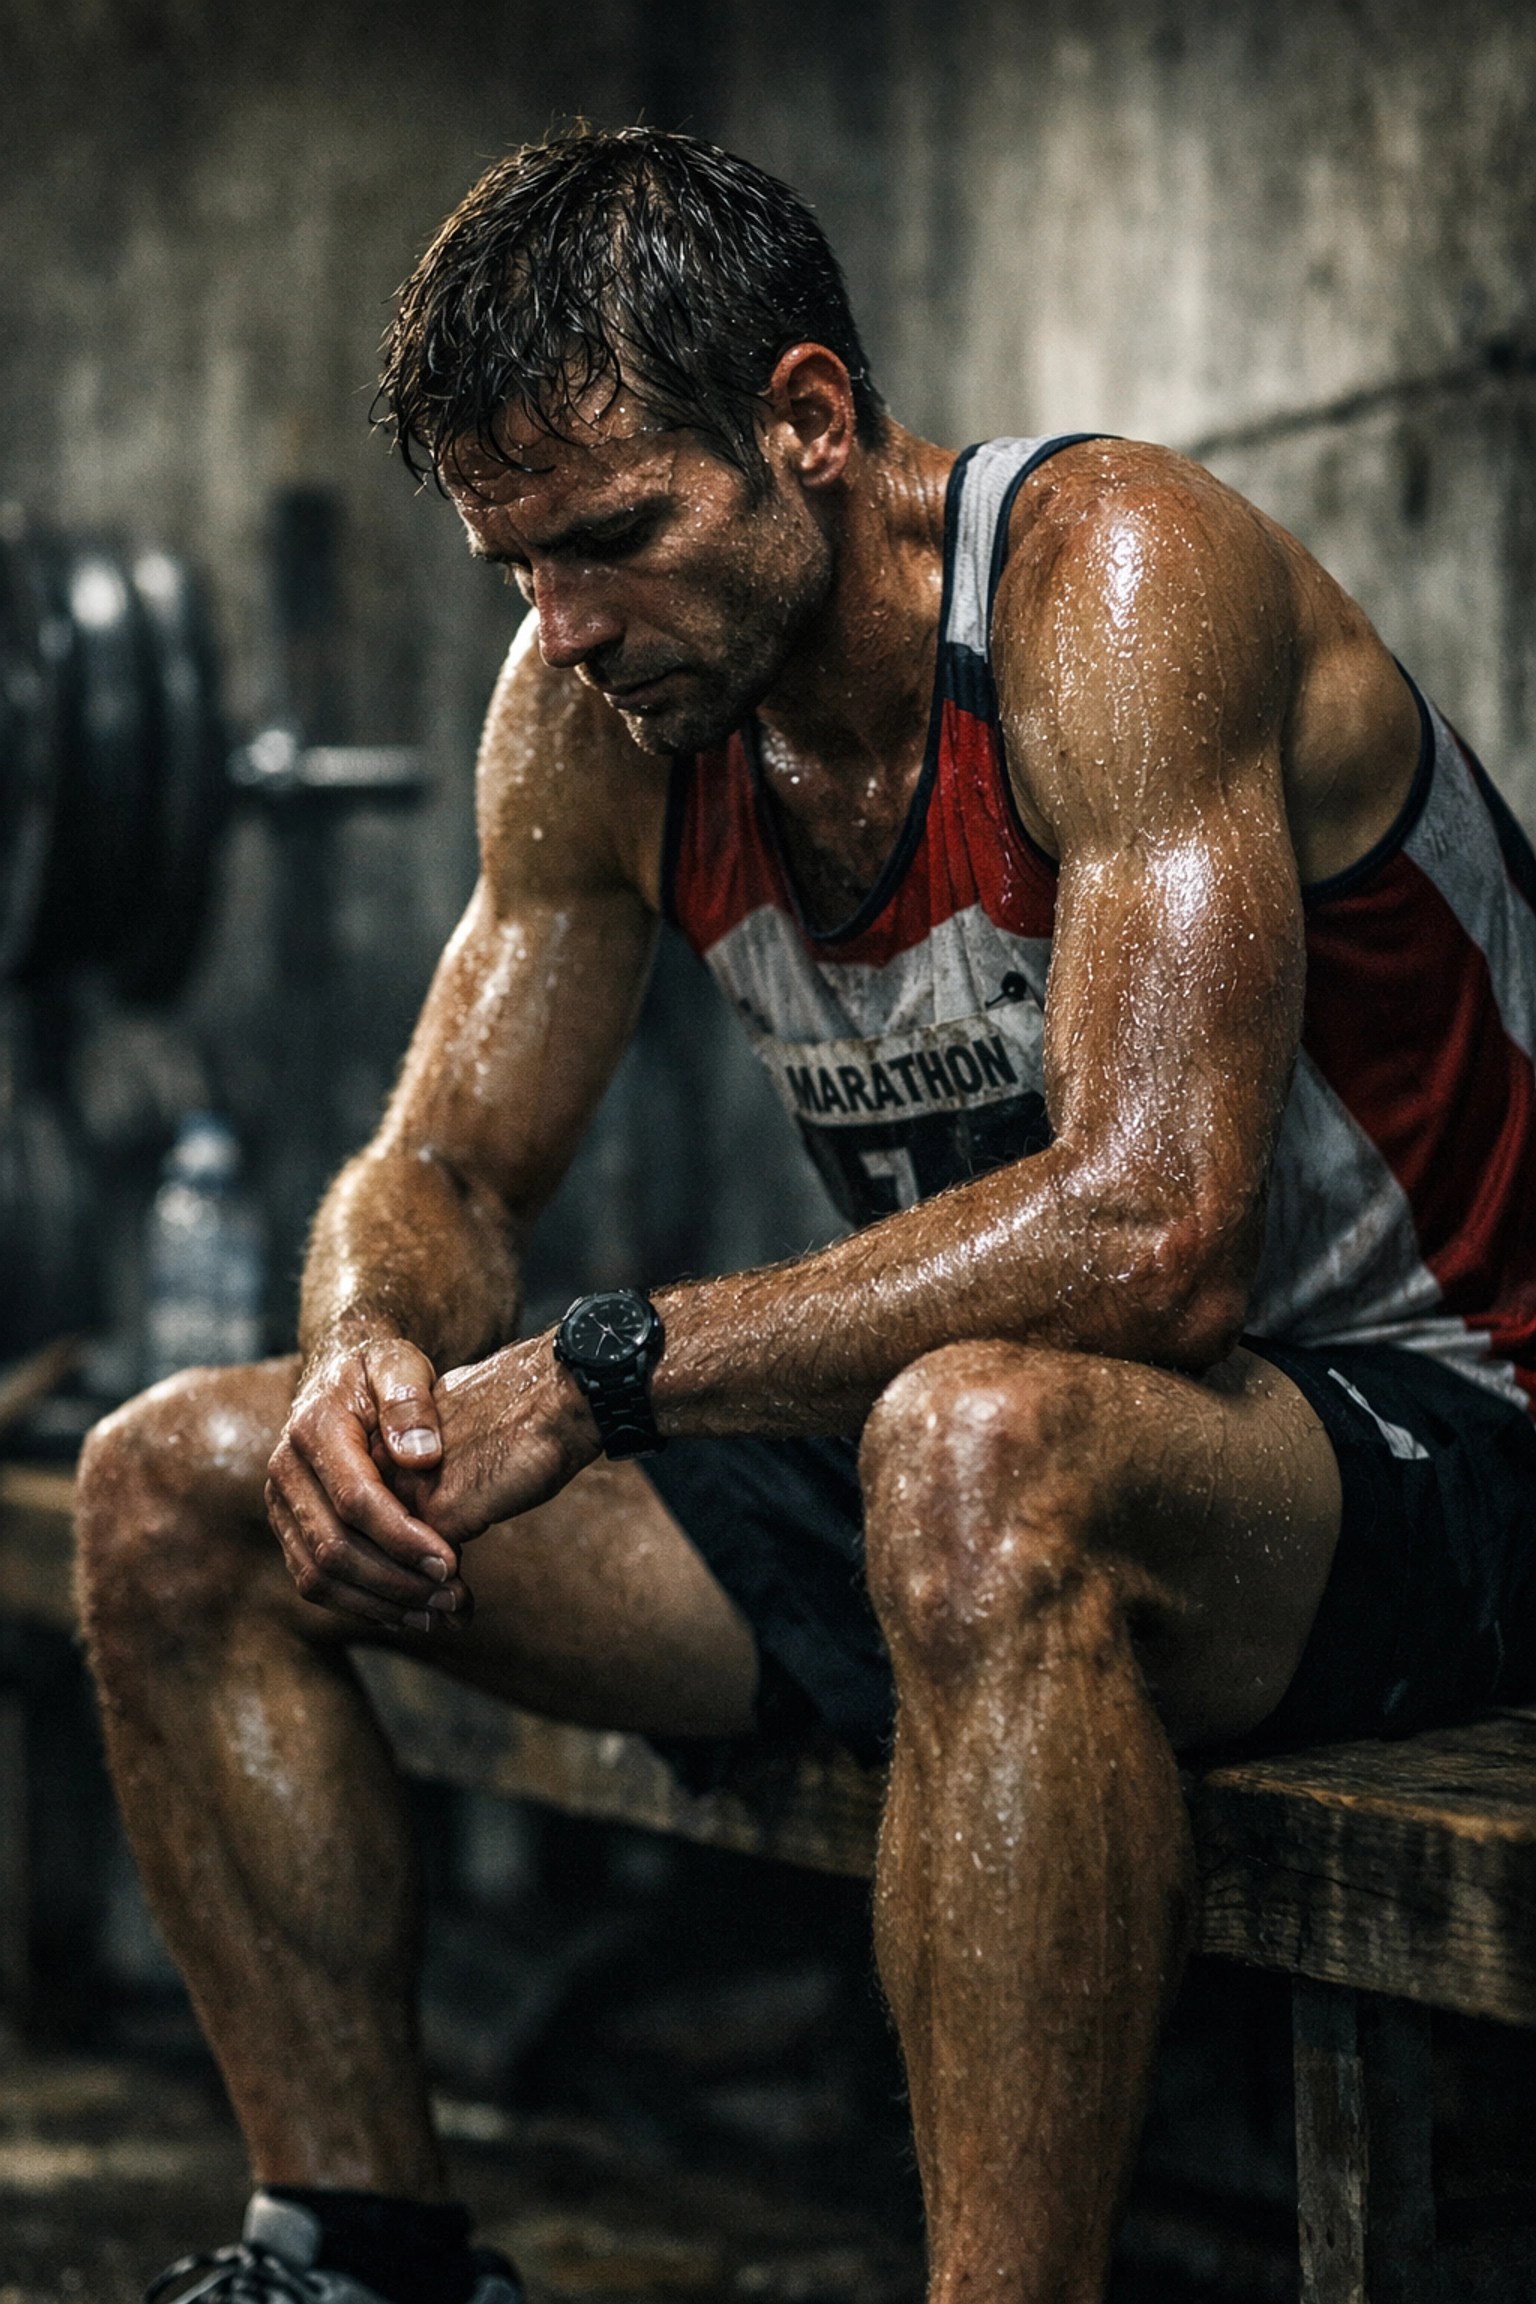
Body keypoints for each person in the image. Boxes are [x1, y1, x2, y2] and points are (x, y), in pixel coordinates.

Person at [79, 128, 1536, 2304]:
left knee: (974, 1440)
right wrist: (374, 1342)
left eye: (610, 541)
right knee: (176, 1481)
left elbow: (1160, 1232)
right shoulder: (606, 702)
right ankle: (358, 2252)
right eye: (517, 569)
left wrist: (600, 1371)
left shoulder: (1110, 585)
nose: (565, 629)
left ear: (810, 424)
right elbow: (456, 1163)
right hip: (998, 1479)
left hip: (1444, 1440)